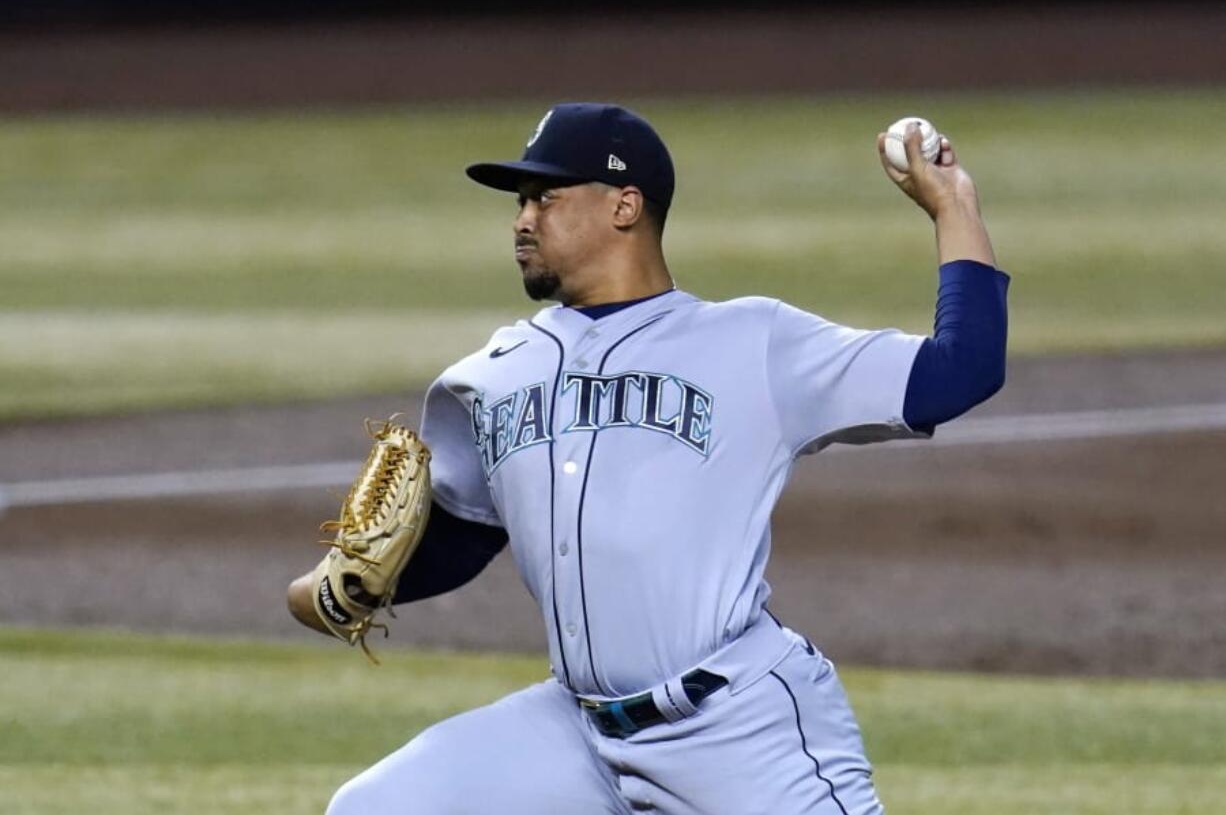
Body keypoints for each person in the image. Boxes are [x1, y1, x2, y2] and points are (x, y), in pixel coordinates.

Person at [288, 102, 1008, 814]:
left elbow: (962, 368)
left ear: (625, 206)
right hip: (575, 731)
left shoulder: (753, 343)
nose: (522, 219)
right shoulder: (491, 374)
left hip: (736, 725)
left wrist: (952, 206)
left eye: (547, 196)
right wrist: (355, 587)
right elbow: (466, 535)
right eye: (521, 201)